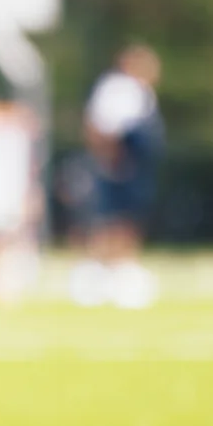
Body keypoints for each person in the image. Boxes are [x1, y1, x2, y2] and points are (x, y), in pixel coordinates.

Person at [74, 44, 166, 308]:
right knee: (115, 220)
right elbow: (104, 129)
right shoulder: (120, 90)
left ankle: (119, 271)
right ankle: (104, 275)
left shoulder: (138, 91)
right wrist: (113, 161)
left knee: (127, 219)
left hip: (133, 166)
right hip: (122, 166)